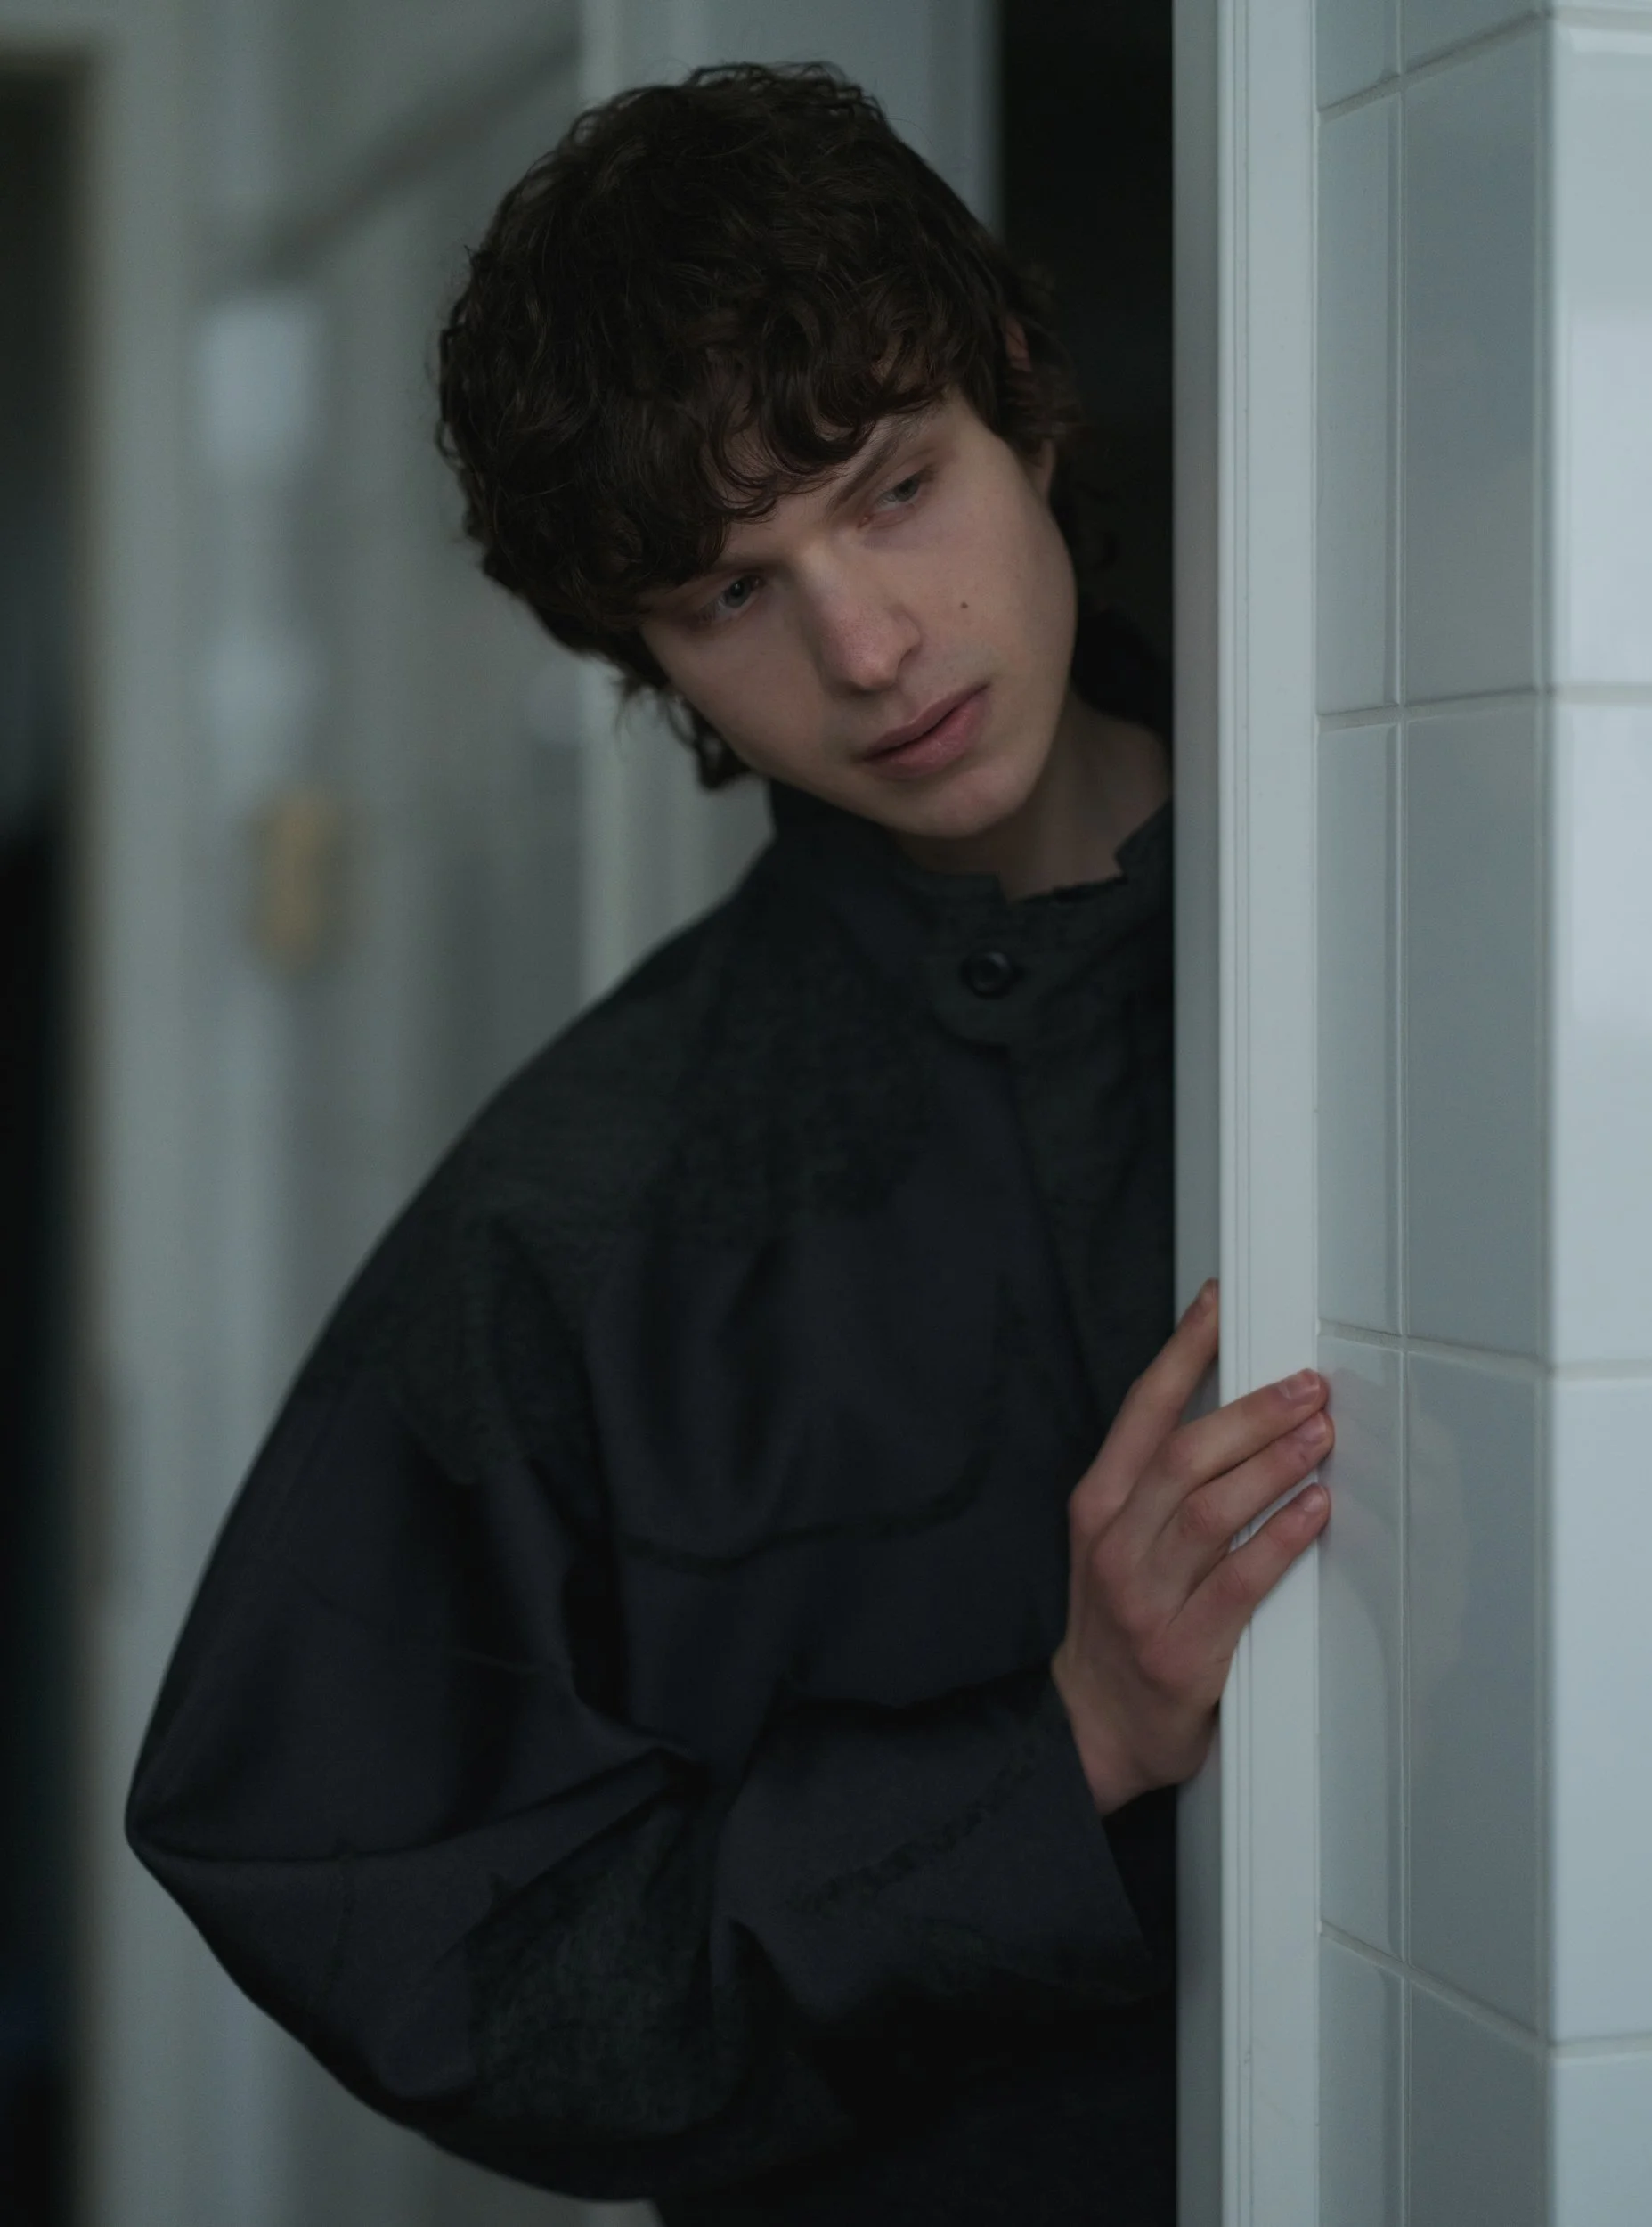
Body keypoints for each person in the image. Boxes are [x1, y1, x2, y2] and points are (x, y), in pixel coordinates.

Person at [126, 63, 1331, 2225]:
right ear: (645, 659)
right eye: (728, 596)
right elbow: (355, 1879)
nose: (865, 647)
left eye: (893, 490)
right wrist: (1060, 1746)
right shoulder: (581, 1208)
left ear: (1020, 400)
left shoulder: (1441, 958)